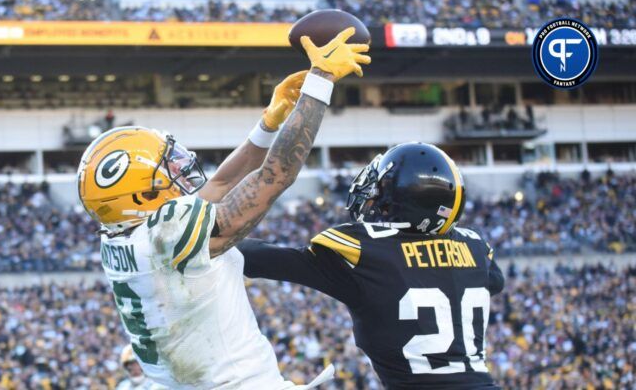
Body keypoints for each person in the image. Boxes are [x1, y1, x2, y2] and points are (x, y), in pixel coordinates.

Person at [77, 27, 370, 389]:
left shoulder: (125, 237)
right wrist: (320, 82)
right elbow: (275, 176)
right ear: (141, 196)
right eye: (166, 169)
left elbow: (218, 185)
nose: (180, 170)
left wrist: (268, 123)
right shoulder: (165, 235)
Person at [240, 143, 504, 389]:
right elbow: (495, 281)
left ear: (400, 199)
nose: (372, 199)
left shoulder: (366, 252)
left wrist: (207, 231)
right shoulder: (475, 247)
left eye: (379, 191)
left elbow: (261, 258)